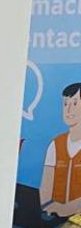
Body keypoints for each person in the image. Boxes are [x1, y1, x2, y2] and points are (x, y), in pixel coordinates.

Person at [42, 83, 81, 218]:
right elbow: (46, 186)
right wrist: (48, 207)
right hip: (54, 218)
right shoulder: (55, 144)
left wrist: (67, 209)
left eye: (75, 103)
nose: (68, 109)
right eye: (65, 104)